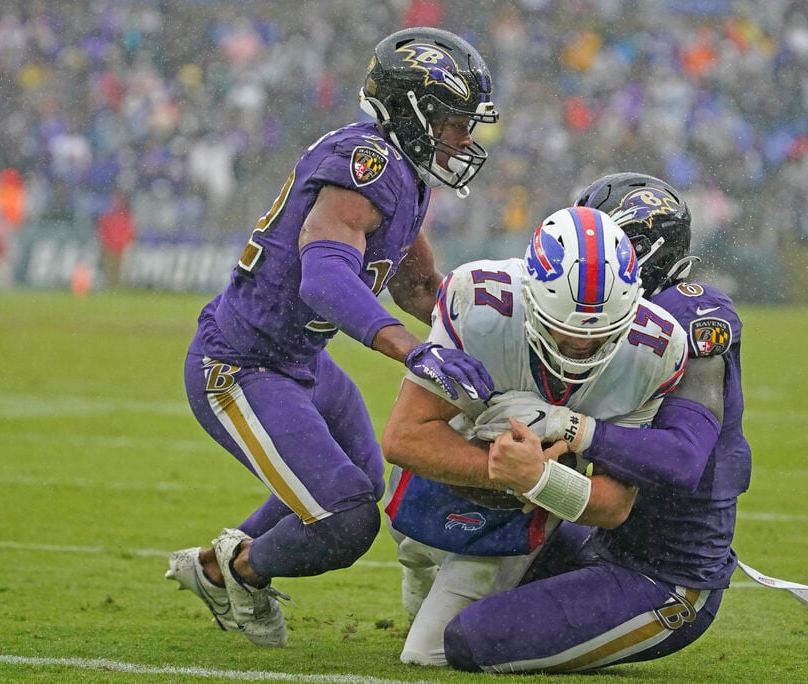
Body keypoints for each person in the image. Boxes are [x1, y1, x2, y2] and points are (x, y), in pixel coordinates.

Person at [164, 26, 500, 648]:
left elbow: (422, 288)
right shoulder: (366, 164)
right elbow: (322, 277)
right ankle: (241, 575)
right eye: (454, 120)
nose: (464, 136)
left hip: (300, 361)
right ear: (412, 111)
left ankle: (214, 567)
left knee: (360, 485)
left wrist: (503, 335)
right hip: (242, 364)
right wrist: (411, 348)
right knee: (345, 518)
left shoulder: (406, 173)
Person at [438, 172, 752, 672]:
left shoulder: (685, 319)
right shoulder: (597, 325)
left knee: (468, 641)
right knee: (466, 536)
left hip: (665, 575)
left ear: (644, 254)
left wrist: (571, 427)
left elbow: (684, 459)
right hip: (601, 540)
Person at [381, 204, 690, 665]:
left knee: (427, 653)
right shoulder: (480, 304)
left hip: (534, 507)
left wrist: (537, 480)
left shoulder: (653, 351)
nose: (581, 345)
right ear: (531, 297)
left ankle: (542, 556)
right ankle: (425, 563)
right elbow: (403, 438)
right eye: (563, 330)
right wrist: (498, 468)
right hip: (458, 460)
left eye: (602, 334)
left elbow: (615, 504)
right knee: (412, 541)